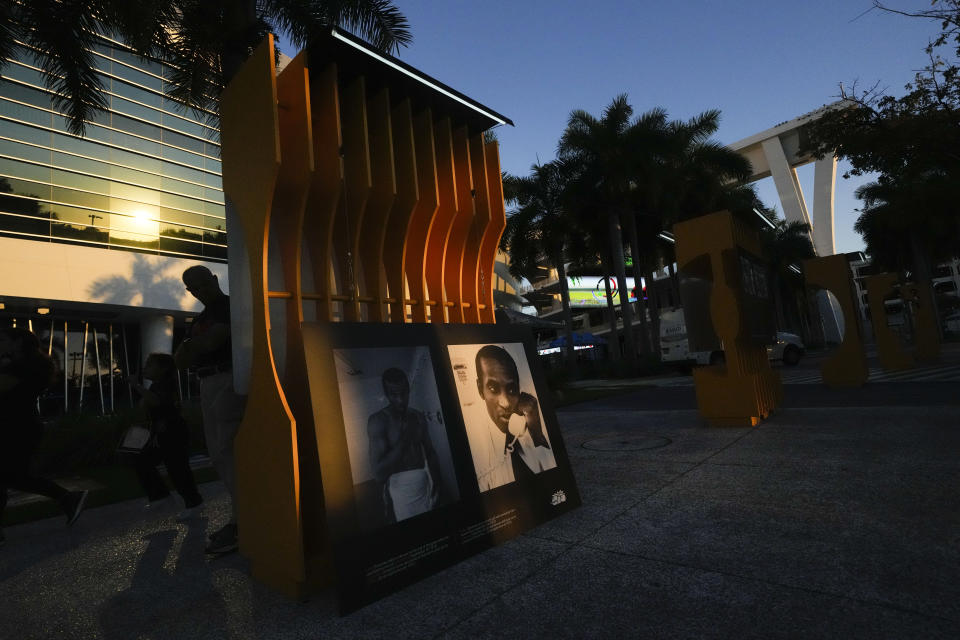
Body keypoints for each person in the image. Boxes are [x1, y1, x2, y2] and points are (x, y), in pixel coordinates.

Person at [174, 265, 244, 554]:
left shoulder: (228, 306)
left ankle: (243, 522)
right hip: (209, 380)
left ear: (214, 280)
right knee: (221, 453)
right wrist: (194, 346)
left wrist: (192, 346)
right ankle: (241, 519)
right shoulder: (202, 318)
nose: (200, 292)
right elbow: (181, 360)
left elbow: (211, 341)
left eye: (203, 285)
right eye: (194, 289)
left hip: (226, 377)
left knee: (227, 451)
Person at [0, 327, 87, 546]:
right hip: (13, 427)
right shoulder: (17, 365)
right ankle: (67, 498)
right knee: (8, 476)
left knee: (13, 476)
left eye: (4, 340)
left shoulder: (27, 367)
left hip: (19, 428)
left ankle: (67, 497)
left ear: (18, 342)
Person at [466, 345, 556, 492]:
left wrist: (536, 432)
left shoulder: (526, 434)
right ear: (479, 388)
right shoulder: (479, 461)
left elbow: (555, 480)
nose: (506, 403)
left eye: (512, 389)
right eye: (493, 388)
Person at [129, 353, 203, 520]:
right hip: (162, 432)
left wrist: (136, 385)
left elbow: (156, 402)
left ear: (163, 369)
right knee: (143, 460)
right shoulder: (156, 385)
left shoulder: (166, 384)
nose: (145, 367)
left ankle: (193, 502)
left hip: (173, 432)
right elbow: (147, 405)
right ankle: (160, 496)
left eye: (150, 364)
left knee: (177, 469)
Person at [367, 368, 441, 524]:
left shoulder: (418, 417)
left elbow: (430, 452)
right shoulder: (378, 421)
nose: (400, 400)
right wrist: (407, 435)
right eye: (394, 395)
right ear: (387, 395)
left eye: (403, 393)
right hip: (399, 491)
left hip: (425, 483)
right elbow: (378, 474)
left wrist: (437, 484)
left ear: (408, 390)